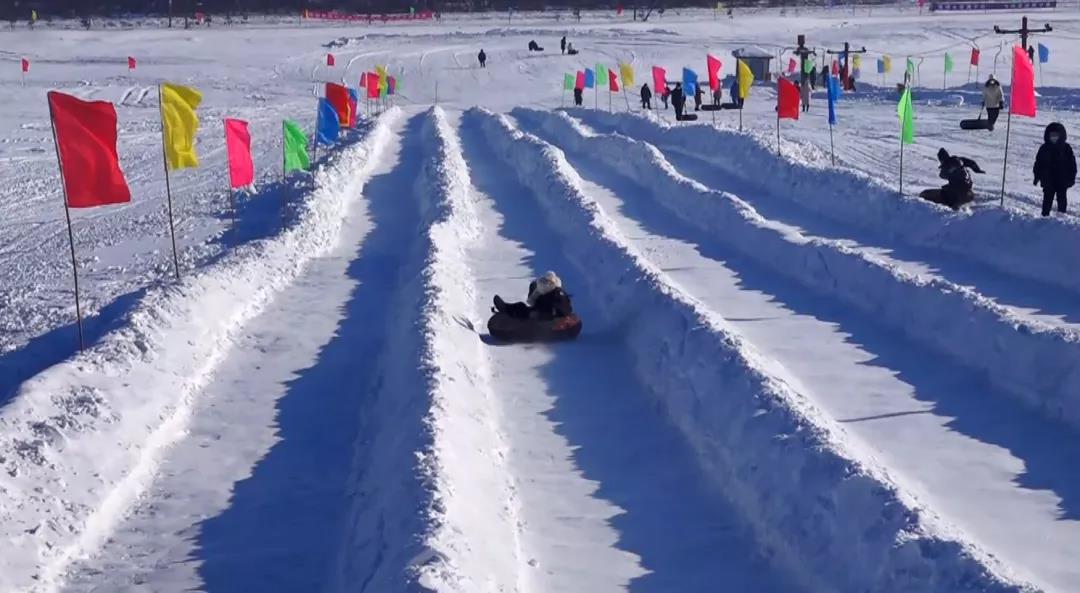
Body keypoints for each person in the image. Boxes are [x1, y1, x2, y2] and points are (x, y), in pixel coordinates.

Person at [1033, 122, 1077, 217]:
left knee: (1062, 200)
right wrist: (1037, 176)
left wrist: (1071, 178)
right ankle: (1044, 217)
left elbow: (1072, 165)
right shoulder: (1044, 148)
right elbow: (1038, 164)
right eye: (1052, 135)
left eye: (1056, 135)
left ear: (1061, 136)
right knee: (1047, 200)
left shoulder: (1066, 148)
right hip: (1048, 180)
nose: (1054, 137)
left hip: (1062, 181)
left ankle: (1061, 218)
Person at [918, 148, 985, 210]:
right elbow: (971, 163)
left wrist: (945, 168)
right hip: (969, 193)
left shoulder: (947, 166)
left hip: (958, 195)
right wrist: (977, 170)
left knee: (925, 194)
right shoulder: (960, 160)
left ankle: (955, 210)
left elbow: (942, 175)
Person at [493, 271, 573, 321]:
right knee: (522, 304)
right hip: (541, 310)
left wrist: (541, 315)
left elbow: (564, 310)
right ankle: (506, 308)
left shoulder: (558, 294)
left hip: (544, 316)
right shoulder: (549, 293)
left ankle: (506, 309)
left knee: (522, 309)